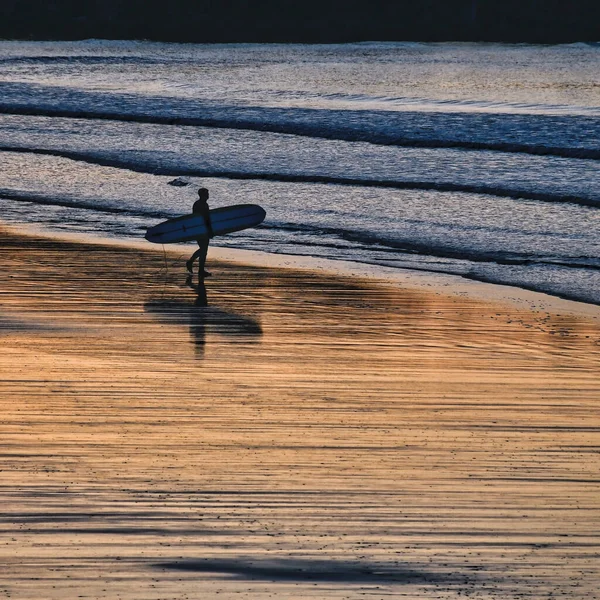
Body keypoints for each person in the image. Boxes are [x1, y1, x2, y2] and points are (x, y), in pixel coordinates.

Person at [186, 188, 214, 279]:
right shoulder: (203, 205)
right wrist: (210, 231)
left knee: (203, 250)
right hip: (203, 230)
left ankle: (200, 270)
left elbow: (194, 218)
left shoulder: (197, 204)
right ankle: (191, 262)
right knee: (203, 249)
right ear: (203, 195)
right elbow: (206, 219)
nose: (208, 195)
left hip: (198, 229)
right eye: (207, 193)